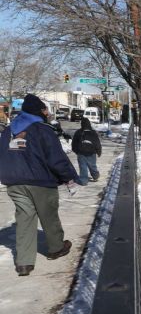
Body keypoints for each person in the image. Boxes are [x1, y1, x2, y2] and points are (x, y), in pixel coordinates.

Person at [0, 94, 78, 276]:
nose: (48, 113)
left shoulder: (8, 130)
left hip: (14, 182)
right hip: (40, 181)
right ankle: (56, 248)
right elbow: (56, 158)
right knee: (48, 214)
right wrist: (69, 177)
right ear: (39, 111)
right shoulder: (43, 130)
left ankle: (24, 263)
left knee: (25, 218)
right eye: (45, 109)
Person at [71, 118, 102, 185]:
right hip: (92, 153)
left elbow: (74, 143)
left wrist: (76, 151)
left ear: (81, 124)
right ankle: (95, 176)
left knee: (83, 167)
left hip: (81, 153)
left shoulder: (78, 132)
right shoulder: (93, 133)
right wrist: (99, 151)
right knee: (92, 165)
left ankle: (84, 180)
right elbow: (97, 143)